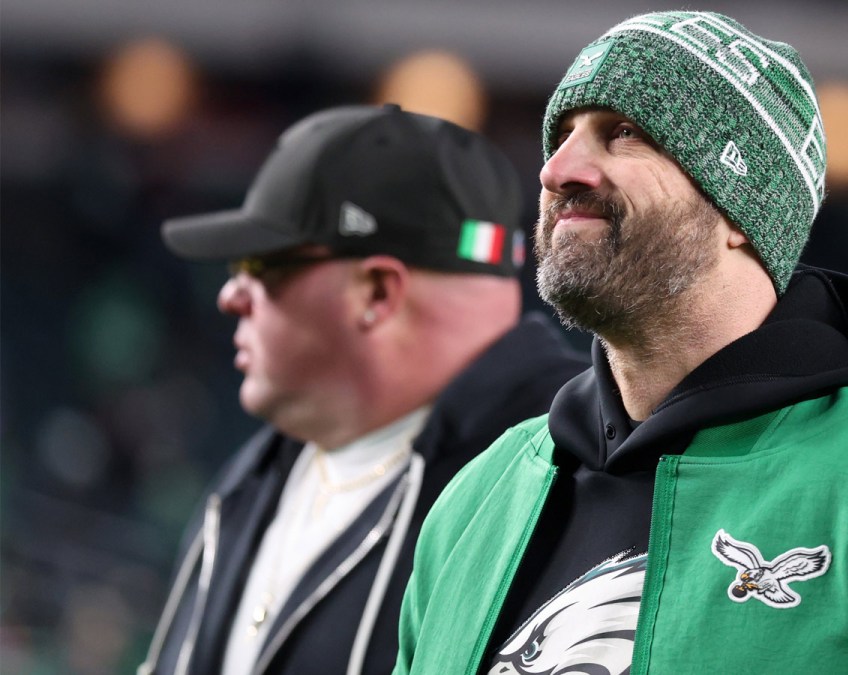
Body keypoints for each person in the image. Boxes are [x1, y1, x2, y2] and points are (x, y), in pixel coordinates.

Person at [394, 11, 848, 674]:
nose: (557, 170)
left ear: (738, 205)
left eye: (623, 133)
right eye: (561, 137)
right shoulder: (482, 497)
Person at [139, 104, 586, 675]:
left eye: (262, 264)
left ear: (377, 291)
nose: (231, 296)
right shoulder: (256, 473)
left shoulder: (570, 478)